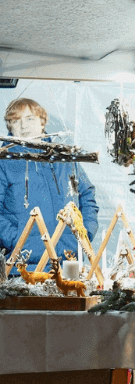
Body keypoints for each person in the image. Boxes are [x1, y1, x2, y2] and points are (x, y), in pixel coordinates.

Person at [0, 98, 99, 266]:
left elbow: (87, 194)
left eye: (30, 119)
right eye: (16, 121)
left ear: (42, 122)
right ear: (9, 126)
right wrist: (16, 240)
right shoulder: (3, 162)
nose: (24, 126)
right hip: (24, 266)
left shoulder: (65, 159)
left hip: (68, 262)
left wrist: (84, 233)